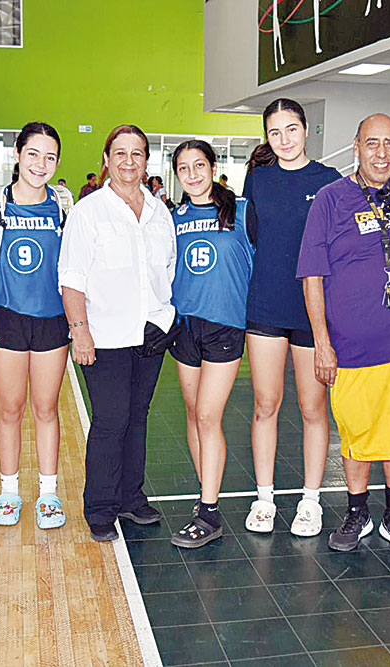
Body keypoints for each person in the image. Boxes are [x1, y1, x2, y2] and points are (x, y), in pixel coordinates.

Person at [297, 113, 390, 558]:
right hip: (353, 344)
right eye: (372, 144)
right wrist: (322, 342)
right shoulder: (329, 199)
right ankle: (356, 511)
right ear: (355, 147)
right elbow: (312, 275)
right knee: (357, 432)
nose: (382, 153)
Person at [58, 124, 176, 542]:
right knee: (111, 420)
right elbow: (71, 278)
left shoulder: (161, 212)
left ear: (146, 162)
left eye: (137, 154)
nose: (129, 161)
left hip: (150, 335)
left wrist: (165, 320)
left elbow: (167, 273)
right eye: (120, 153)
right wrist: (80, 331)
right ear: (106, 160)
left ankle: (131, 497)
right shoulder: (88, 212)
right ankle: (101, 507)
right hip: (104, 336)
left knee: (138, 418)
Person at [242, 98, 340, 537]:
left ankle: (311, 500)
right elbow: (254, 235)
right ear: (267, 137)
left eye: (291, 129)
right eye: (274, 132)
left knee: (312, 407)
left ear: (306, 130)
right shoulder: (258, 180)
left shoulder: (329, 181)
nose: (284, 139)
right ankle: (264, 499)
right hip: (265, 307)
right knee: (265, 404)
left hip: (310, 311)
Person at [167, 140, 255, 548]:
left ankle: (210, 512)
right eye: (184, 168)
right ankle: (207, 496)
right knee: (193, 413)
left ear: (212, 166)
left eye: (198, 165)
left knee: (207, 415)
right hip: (185, 327)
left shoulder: (240, 211)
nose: (192, 174)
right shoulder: (173, 218)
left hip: (224, 327)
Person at [0, 123, 70, 530]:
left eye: (50, 156)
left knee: (46, 407)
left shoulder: (64, 204)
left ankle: (49, 492)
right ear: (17, 154)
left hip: (52, 319)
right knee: (9, 408)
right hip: (6, 317)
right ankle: (9, 491)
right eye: (33, 154)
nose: (41, 164)